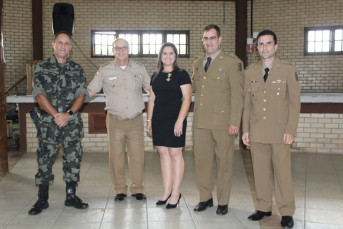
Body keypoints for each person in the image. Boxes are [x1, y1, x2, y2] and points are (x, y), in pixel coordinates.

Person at [242, 30, 300, 228]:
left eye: (268, 43)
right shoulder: (249, 72)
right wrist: (246, 129)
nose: (264, 47)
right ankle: (263, 207)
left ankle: (286, 211)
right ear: (256, 48)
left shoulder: (287, 70)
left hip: (280, 132)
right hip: (257, 131)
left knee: (283, 173)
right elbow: (247, 104)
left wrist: (291, 129)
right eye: (261, 44)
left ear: (276, 46)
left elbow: (294, 104)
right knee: (260, 172)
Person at [29, 31, 89, 215]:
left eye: (67, 44)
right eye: (60, 43)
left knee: (73, 159)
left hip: (71, 124)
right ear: (53, 44)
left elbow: (81, 94)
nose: (63, 46)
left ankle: (71, 196)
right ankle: (42, 199)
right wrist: (57, 115)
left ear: (70, 47)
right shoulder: (41, 67)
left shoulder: (77, 69)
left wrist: (68, 114)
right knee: (45, 160)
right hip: (49, 124)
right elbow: (39, 94)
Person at [87, 38, 150, 202]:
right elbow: (90, 91)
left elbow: (152, 90)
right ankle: (120, 189)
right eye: (117, 48)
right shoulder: (104, 70)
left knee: (137, 156)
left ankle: (137, 188)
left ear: (129, 49)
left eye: (124, 48)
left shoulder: (139, 69)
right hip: (115, 121)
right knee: (116, 156)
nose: (121, 51)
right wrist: (71, 100)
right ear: (113, 50)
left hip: (136, 120)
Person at [192, 24, 245, 215]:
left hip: (223, 123)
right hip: (200, 122)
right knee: (202, 163)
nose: (209, 42)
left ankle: (223, 201)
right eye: (206, 38)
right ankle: (205, 198)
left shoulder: (233, 63)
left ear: (220, 39)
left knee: (224, 163)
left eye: (212, 38)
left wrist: (234, 121)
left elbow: (238, 96)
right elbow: (195, 90)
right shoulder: (198, 62)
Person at [146, 42, 192, 209]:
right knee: (163, 154)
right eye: (164, 53)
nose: (167, 56)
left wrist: (180, 121)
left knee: (175, 154)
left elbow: (187, 99)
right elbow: (152, 99)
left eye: (171, 53)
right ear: (160, 56)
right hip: (158, 120)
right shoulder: (155, 76)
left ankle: (175, 193)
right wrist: (149, 120)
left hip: (175, 119)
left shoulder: (182, 74)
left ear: (175, 56)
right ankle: (166, 191)